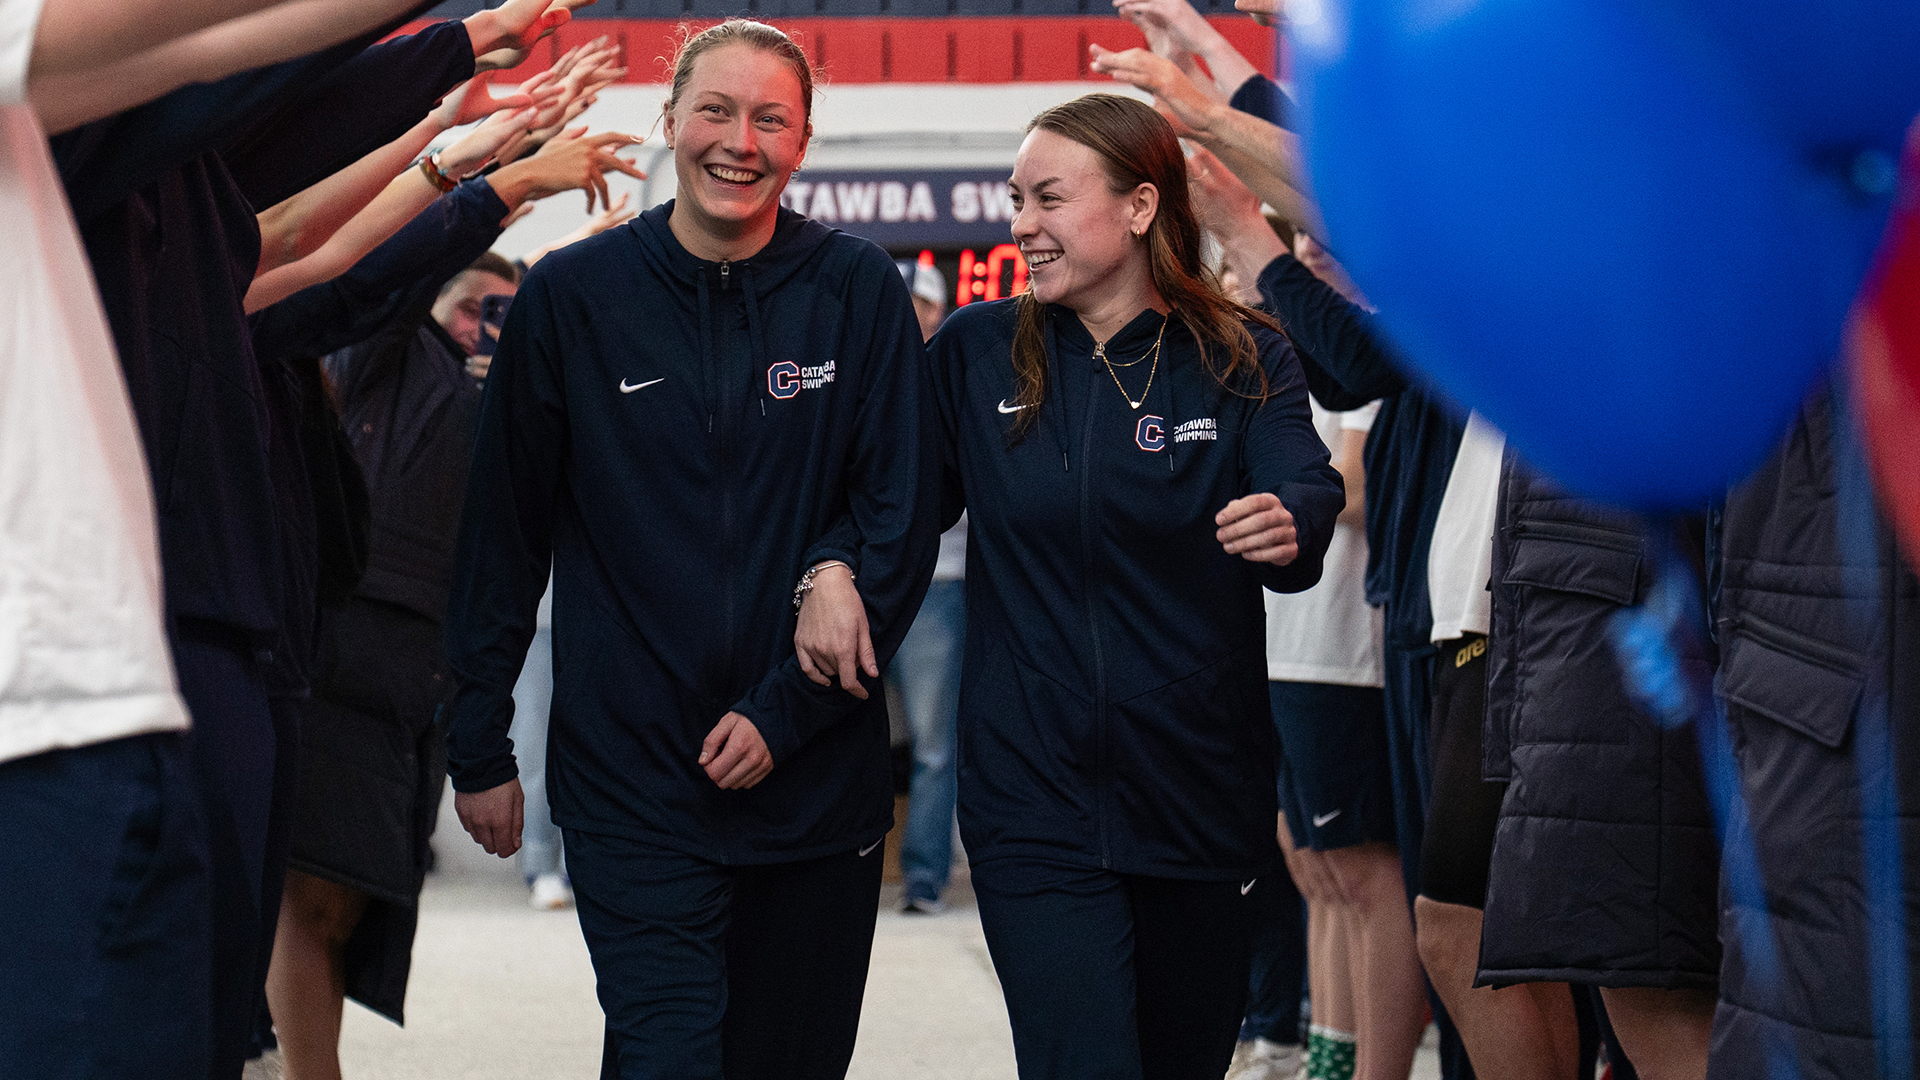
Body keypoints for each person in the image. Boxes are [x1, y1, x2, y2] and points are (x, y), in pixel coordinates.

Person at [444, 19, 939, 1079]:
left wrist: (786, 707)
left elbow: (899, 517)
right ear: (669, 121)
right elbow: (503, 530)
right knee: (664, 1055)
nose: (740, 140)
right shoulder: (571, 303)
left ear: (804, 141)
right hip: (633, 780)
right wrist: (478, 741)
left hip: (813, 790)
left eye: (772, 118)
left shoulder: (857, 294)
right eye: (715, 109)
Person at [917, 92, 1344, 1080]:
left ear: (1143, 206)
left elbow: (1301, 474)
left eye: (1050, 198)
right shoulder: (974, 355)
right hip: (1032, 802)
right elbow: (892, 515)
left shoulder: (1242, 355)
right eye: (1016, 198)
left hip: (1197, 798)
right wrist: (831, 572)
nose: (1022, 222)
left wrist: (1290, 517)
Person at [888, 258, 967, 915]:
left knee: (935, 744)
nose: (907, 311)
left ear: (937, 311)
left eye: (917, 302)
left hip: (939, 584)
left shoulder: (959, 377)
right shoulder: (862, 370)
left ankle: (923, 877)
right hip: (859, 583)